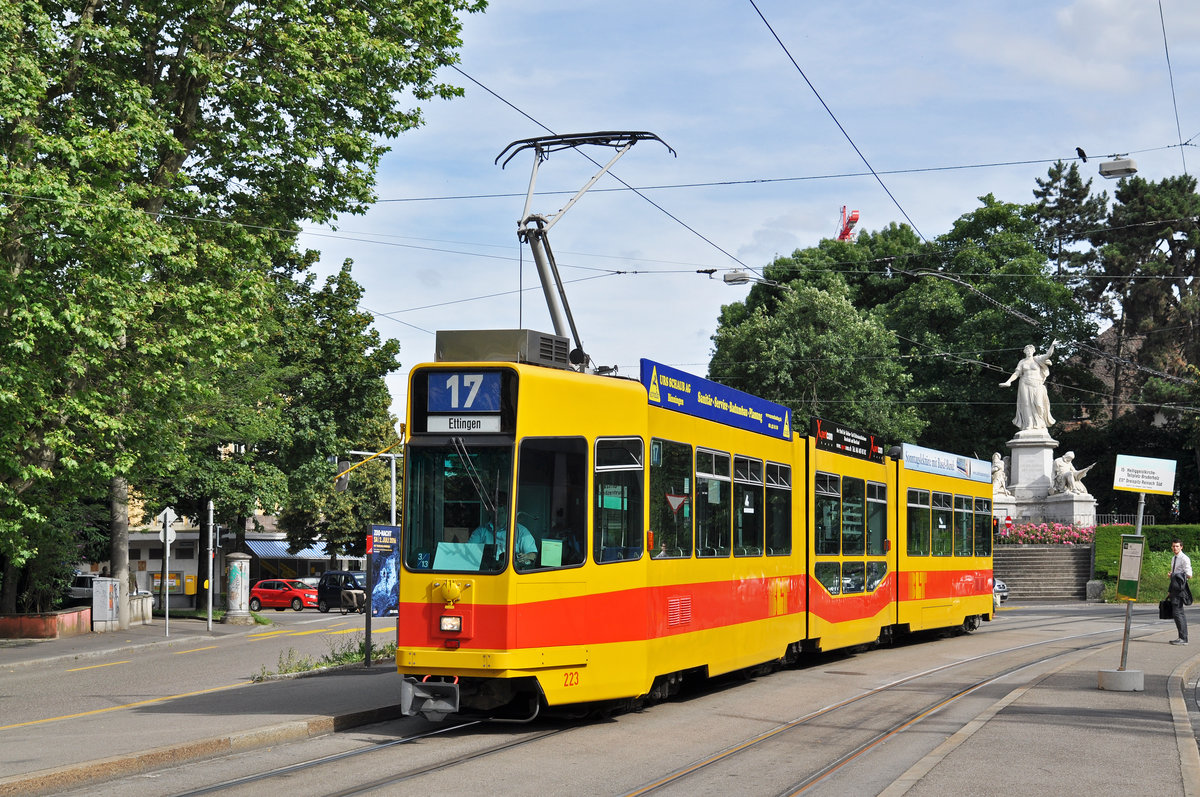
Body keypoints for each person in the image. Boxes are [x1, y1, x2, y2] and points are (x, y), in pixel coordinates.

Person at [1000, 340, 1057, 431]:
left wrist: (1052, 345)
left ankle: (1039, 422)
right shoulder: (1022, 362)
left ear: (1033, 351)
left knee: (1039, 404)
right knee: (1026, 404)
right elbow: (1017, 373)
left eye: (1030, 350)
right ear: (1024, 352)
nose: (1029, 351)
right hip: (1024, 383)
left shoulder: (1037, 359)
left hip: (1037, 384)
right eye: (1027, 350)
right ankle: (1029, 423)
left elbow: (1048, 355)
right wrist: (1008, 381)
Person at [469, 494, 538, 565]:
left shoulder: (521, 531)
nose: (496, 514)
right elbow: (470, 551)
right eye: (492, 510)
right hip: (488, 569)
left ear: (507, 510)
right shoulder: (480, 531)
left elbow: (533, 554)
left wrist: (526, 557)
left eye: (500, 511)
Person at [1168, 539, 1193, 645]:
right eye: (1173, 546)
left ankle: (1183, 639)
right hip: (1174, 588)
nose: (1175, 548)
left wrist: (1174, 575)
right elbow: (1174, 575)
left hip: (1180, 589)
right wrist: (1170, 590)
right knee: (1177, 613)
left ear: (1181, 547)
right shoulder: (1174, 558)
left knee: (1178, 613)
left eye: (1177, 546)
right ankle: (1181, 637)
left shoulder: (1184, 558)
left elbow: (1189, 575)